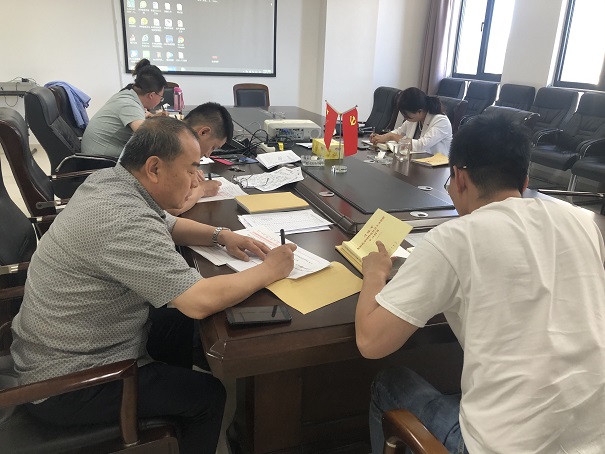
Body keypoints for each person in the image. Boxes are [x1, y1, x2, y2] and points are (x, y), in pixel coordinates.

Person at [11, 117, 296, 454]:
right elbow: (197, 301)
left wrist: (221, 235)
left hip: (67, 344)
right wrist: (270, 270)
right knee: (207, 395)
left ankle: (170, 392)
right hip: (68, 383)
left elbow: (168, 224)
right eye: (191, 168)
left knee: (180, 322)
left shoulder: (112, 181)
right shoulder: (122, 220)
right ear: (155, 168)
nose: (197, 179)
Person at [356, 115, 605, 453]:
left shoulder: (454, 239)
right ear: (525, 180)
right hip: (593, 440)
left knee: (390, 382)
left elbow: (371, 342)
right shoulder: (583, 222)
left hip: (500, 447)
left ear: (459, 178)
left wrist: (374, 273)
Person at [82, 58, 168, 158]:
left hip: (96, 151)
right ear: (151, 95)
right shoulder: (129, 104)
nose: (160, 100)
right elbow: (147, 136)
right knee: (160, 153)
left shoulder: (127, 95)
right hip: (100, 160)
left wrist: (154, 118)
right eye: (161, 97)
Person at [166, 102, 235, 216]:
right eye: (213, 147)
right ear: (203, 132)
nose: (208, 155)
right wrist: (202, 189)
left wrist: (189, 172)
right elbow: (171, 208)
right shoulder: (169, 145)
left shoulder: (171, 131)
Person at [370, 87, 452, 155]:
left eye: (407, 116)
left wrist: (392, 136)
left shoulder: (441, 121)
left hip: (436, 166)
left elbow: (420, 145)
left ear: (419, 111)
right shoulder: (415, 119)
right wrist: (381, 137)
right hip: (416, 160)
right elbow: (399, 132)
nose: (405, 119)